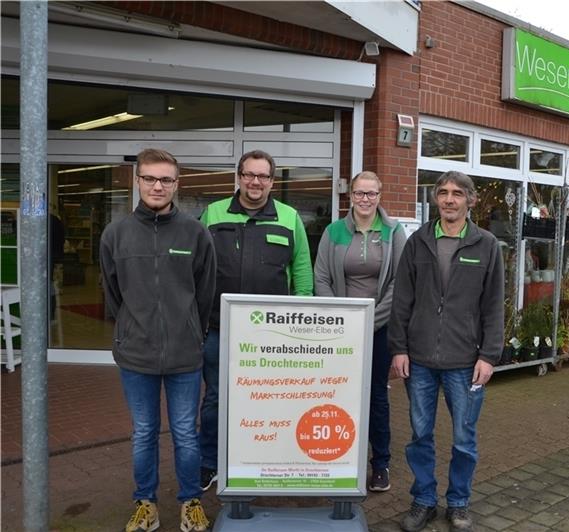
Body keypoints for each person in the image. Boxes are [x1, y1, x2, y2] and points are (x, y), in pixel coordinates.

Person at [100, 148, 216, 532]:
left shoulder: (195, 233)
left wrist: (191, 333)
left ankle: (190, 502)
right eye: (149, 178)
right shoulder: (116, 234)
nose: (157, 185)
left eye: (166, 179)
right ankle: (145, 503)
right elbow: (112, 293)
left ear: (176, 184)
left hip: (185, 355)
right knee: (143, 434)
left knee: (186, 433)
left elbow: (205, 293)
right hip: (136, 356)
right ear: (137, 181)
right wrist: (131, 329)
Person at [389, 171, 504, 532]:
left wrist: (489, 355)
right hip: (419, 359)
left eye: (457, 193)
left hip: (465, 362)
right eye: (443, 193)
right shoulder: (418, 242)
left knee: (463, 439)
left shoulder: (486, 245)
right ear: (436, 198)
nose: (449, 199)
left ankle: (458, 503)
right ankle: (424, 500)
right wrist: (399, 348)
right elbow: (402, 299)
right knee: (420, 435)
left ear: (470, 200)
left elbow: (494, 306)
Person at [198, 149, 313, 491]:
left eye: (263, 176)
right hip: (219, 329)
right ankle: (209, 462)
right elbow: (198, 270)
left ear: (272, 182)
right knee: (217, 398)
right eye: (249, 174)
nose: (255, 182)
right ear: (239, 176)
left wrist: (298, 326)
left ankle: (265, 460)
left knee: (270, 398)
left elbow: (303, 273)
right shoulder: (212, 213)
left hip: (272, 335)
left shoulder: (290, 217)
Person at [314, 171, 407, 492]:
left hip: (379, 330)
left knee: (376, 396)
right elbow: (321, 277)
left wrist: (369, 319)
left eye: (371, 193)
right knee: (336, 393)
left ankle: (380, 463)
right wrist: (342, 319)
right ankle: (337, 459)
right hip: (338, 330)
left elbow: (400, 283)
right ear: (350, 196)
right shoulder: (334, 231)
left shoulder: (394, 232)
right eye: (359, 193)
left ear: (380, 196)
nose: (365, 199)